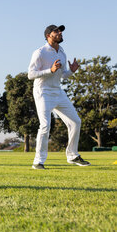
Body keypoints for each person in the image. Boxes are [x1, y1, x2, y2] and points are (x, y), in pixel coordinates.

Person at [28, 25, 90, 170]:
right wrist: (50, 70)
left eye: (60, 31)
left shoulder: (61, 52)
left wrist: (71, 71)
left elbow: (61, 74)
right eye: (57, 31)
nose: (60, 33)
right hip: (42, 92)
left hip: (58, 91)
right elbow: (31, 74)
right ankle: (38, 162)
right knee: (45, 126)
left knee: (76, 122)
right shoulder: (40, 52)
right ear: (49, 35)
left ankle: (73, 155)